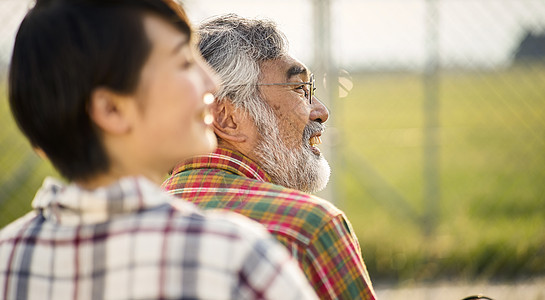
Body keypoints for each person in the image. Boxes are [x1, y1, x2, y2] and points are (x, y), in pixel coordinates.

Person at [0, 1, 318, 299]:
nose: (211, 83)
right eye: (183, 62)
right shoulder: (234, 258)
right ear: (111, 109)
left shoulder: (9, 255)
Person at [162, 14, 377, 300]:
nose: (322, 111)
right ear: (228, 118)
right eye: (300, 89)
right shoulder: (307, 230)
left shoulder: (127, 226)